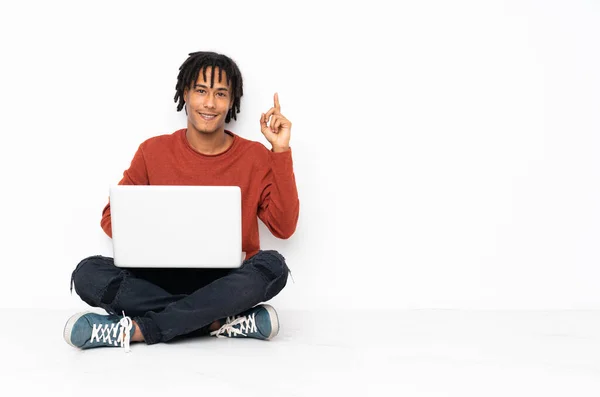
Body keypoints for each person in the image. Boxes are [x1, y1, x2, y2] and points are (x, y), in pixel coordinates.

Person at [64, 51, 299, 352]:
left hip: (226, 281)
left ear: (232, 101)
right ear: (185, 93)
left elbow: (284, 227)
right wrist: (161, 234)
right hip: (159, 280)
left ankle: (140, 329)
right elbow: (111, 218)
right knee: (88, 273)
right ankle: (218, 321)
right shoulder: (152, 151)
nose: (210, 103)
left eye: (220, 94)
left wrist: (280, 152)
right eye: (201, 90)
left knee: (273, 266)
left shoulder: (255, 156)